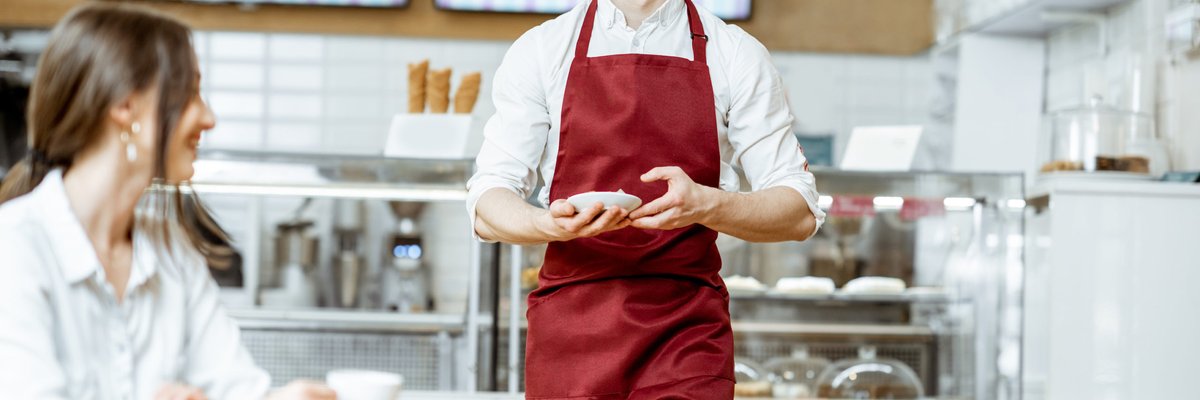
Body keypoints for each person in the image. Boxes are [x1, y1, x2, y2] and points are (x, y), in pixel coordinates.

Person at [467, 0, 827, 398]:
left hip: (685, 332)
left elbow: (799, 212)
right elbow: (488, 200)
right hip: (571, 330)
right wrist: (546, 224)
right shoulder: (542, 48)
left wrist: (708, 204)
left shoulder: (734, 52)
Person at [0, 4, 334, 400]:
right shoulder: (15, 247)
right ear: (125, 105)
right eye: (190, 92)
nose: (208, 117)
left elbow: (234, 387)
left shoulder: (172, 249)